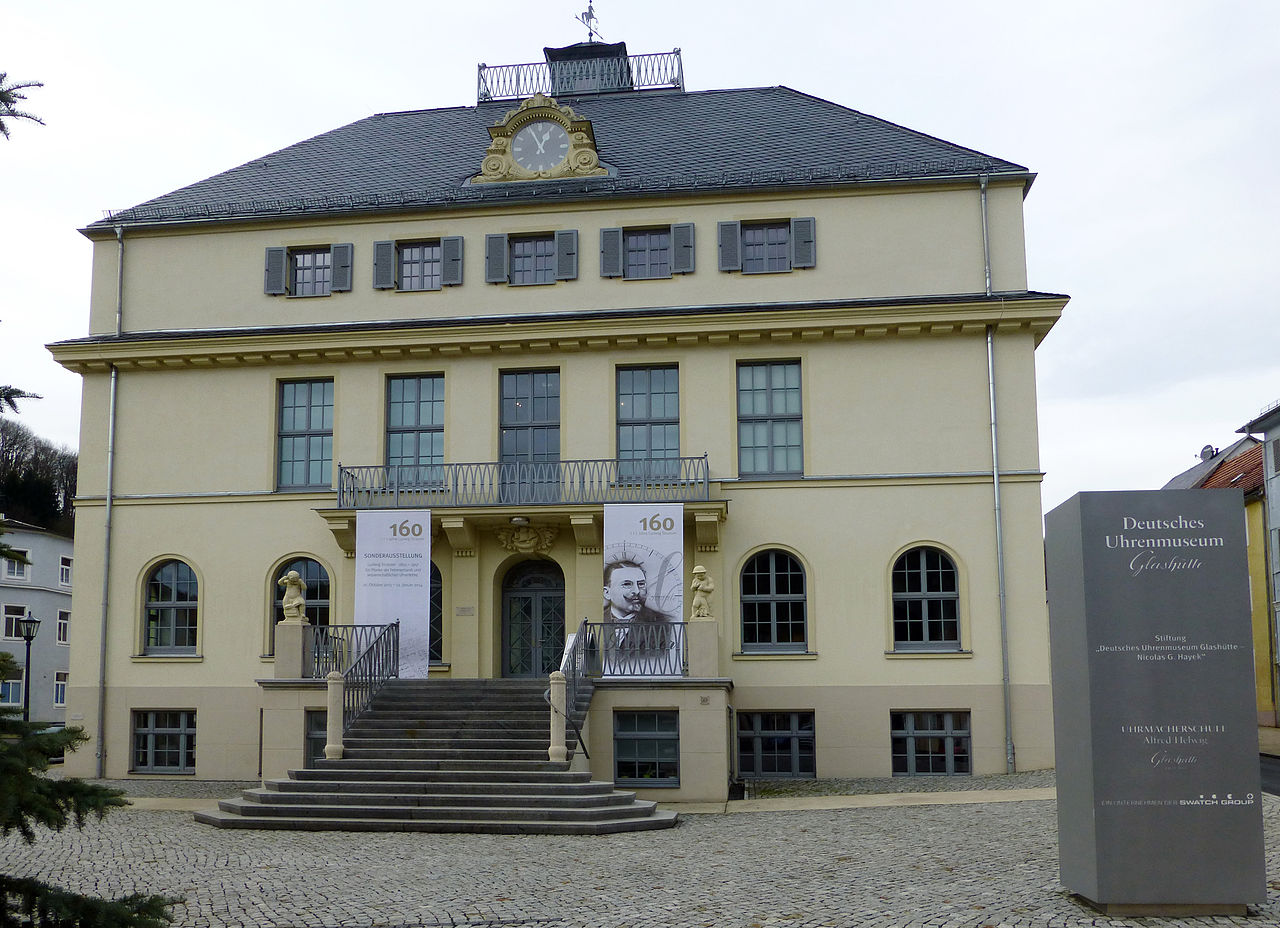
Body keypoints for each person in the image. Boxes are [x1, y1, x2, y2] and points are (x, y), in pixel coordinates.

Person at [603, 559, 672, 624]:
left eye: (641, 584)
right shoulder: (598, 617)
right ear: (607, 593)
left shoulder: (663, 621)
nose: (637, 591)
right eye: (627, 584)